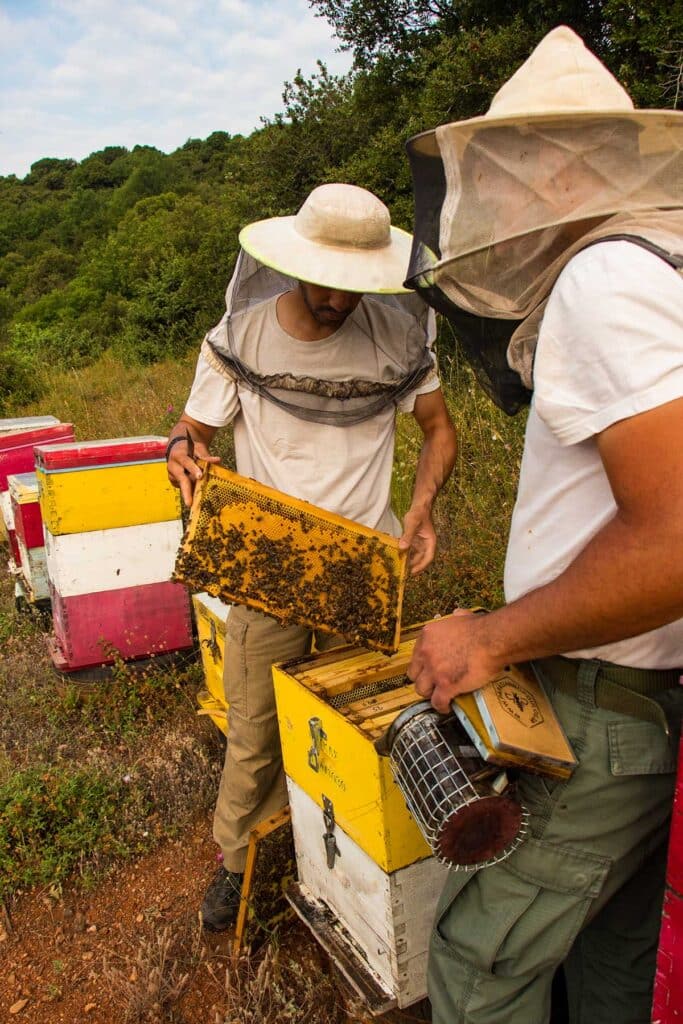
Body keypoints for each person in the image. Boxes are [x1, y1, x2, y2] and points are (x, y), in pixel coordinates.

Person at [403, 26, 683, 1024]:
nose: (500, 191)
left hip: (601, 711)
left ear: (561, 162)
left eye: (512, 164)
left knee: (481, 972)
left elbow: (673, 536)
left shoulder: (604, 278)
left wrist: (491, 634)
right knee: (612, 962)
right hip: (640, 705)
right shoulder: (658, 265)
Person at [166, 182, 458, 931]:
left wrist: (420, 508)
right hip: (267, 570)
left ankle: (350, 868)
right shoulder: (241, 336)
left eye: (354, 287)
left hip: (364, 568)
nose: (338, 301)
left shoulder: (397, 337)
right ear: (292, 264)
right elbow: (192, 429)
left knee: (361, 728)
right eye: (326, 284)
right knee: (256, 729)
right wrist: (181, 453)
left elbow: (438, 430)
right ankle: (240, 862)